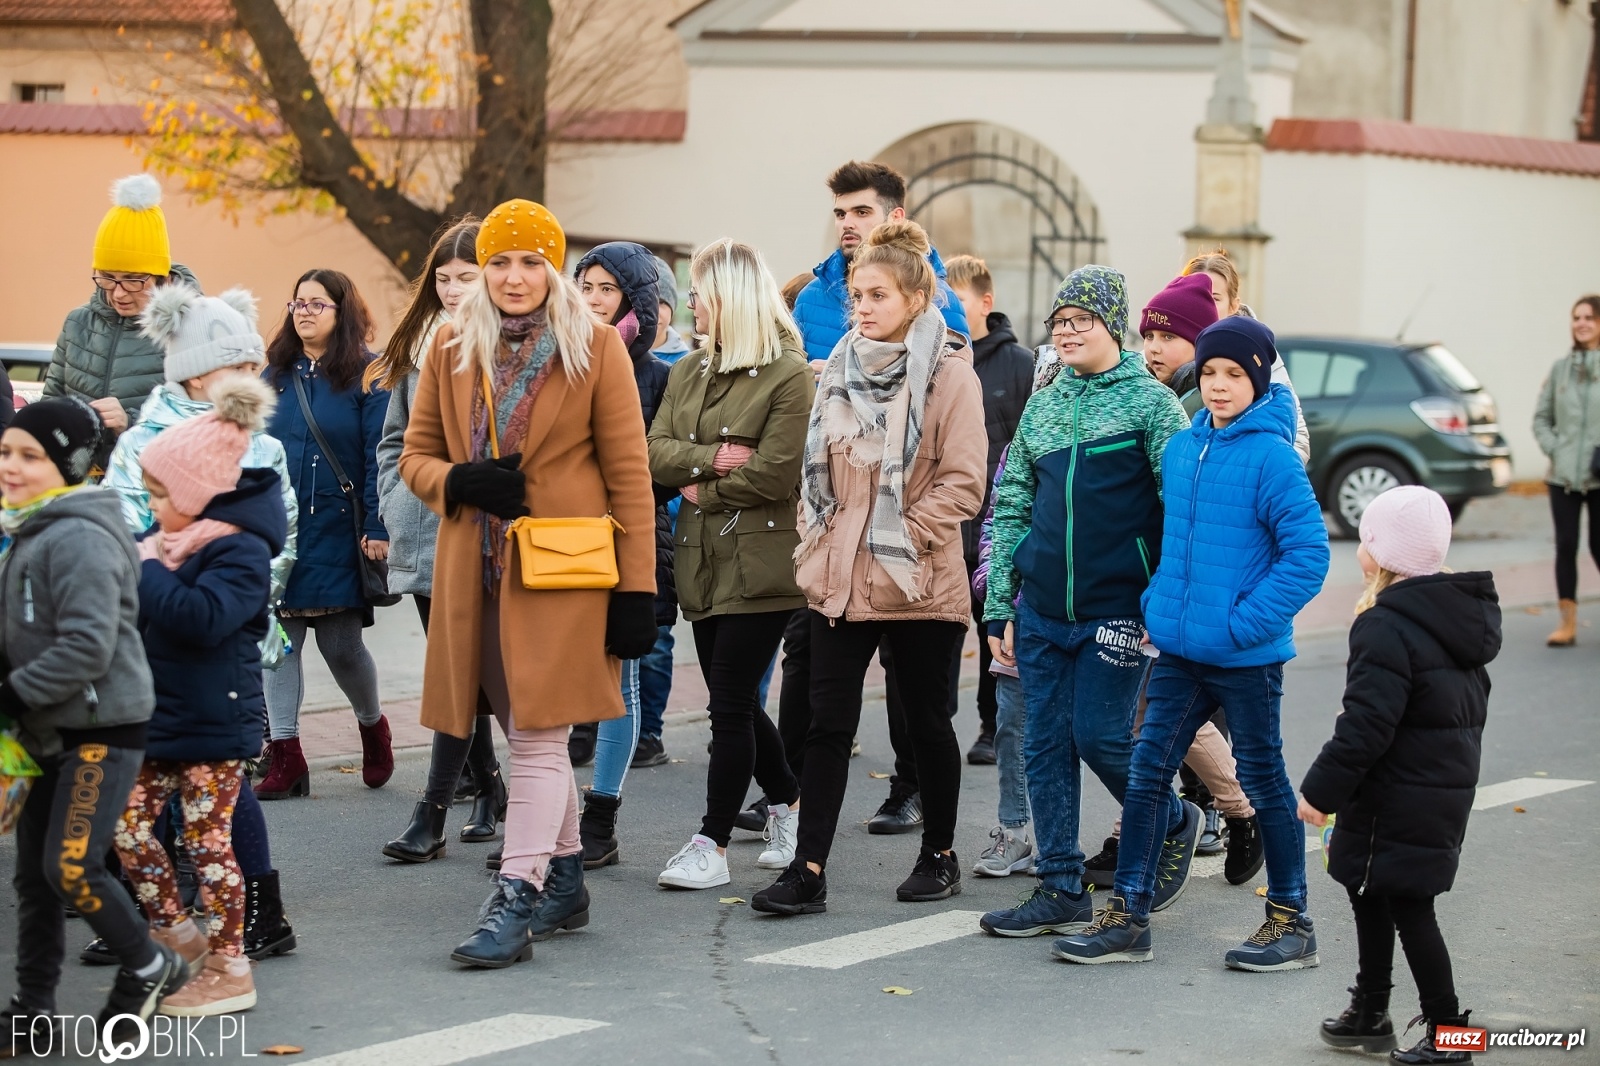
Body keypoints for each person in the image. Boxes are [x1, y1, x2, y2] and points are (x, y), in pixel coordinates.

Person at [399, 199, 657, 967]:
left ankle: (516, 894)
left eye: (531, 261)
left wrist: (637, 590)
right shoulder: (449, 345)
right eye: (500, 261)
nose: (515, 277)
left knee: (540, 740)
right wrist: (463, 480)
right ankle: (568, 878)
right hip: (473, 573)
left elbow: (630, 476)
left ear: (553, 268)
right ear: (483, 269)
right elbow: (413, 459)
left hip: (563, 572)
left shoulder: (595, 347)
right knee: (524, 731)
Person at [1054, 317, 1330, 970]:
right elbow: (1173, 542)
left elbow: (1308, 556)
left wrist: (1241, 624)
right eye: (1209, 372)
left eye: (1234, 374)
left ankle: (1291, 922)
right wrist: (1156, 604)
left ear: (1258, 379)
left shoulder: (1273, 458)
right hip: (1177, 651)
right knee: (1147, 775)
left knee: (1263, 783)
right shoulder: (1183, 450)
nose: (1219, 385)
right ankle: (1128, 918)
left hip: (1244, 657)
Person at [751, 220, 984, 915]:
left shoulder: (949, 374)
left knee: (924, 724)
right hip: (838, 576)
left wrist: (899, 536)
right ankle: (808, 870)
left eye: (878, 294)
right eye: (857, 294)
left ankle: (940, 854)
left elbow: (965, 483)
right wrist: (817, 534)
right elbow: (812, 466)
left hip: (914, 576)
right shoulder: (841, 364)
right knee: (826, 725)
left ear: (916, 297)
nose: (863, 306)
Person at [976, 266, 1196, 942]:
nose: (1066, 332)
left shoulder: (1153, 405)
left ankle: (1172, 817)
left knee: (1100, 734)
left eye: (1081, 320)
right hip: (1041, 609)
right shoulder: (1043, 404)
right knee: (1043, 744)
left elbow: (1179, 508)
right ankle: (1061, 886)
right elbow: (1011, 505)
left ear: (1113, 324)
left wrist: (1163, 591)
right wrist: (1000, 605)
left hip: (1118, 608)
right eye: (1059, 322)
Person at [85, 285, 300, 968]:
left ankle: (260, 910)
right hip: (150, 637)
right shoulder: (144, 441)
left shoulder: (258, 445)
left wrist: (247, 599)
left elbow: (281, 530)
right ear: (196, 373)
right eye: (235, 365)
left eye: (250, 363)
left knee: (218, 783)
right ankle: (155, 914)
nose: (250, 376)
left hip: (225, 633)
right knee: (147, 781)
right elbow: (121, 527)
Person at [787, 161, 972, 834]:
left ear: (893, 216)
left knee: (917, 701)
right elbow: (813, 429)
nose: (846, 225)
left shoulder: (938, 304)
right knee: (818, 695)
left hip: (904, 544)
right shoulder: (815, 299)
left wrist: (897, 527)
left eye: (859, 212)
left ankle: (916, 801)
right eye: (839, 213)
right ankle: (803, 845)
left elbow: (954, 449)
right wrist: (817, 524)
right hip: (838, 536)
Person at [0, 398, 191, 1046]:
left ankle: (149, 962)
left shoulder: (78, 534)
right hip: (44, 727)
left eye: (30, 456)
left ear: (72, 463)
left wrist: (11, 693)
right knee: (33, 876)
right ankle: (31, 1010)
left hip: (99, 730)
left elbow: (87, 646)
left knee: (72, 867)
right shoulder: (28, 527)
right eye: (5, 453)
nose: (11, 466)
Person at [1299, 486, 1498, 1063]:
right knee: (1369, 892)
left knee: (1410, 905)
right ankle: (1370, 1010)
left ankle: (1449, 1033)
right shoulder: (1452, 615)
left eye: (1366, 537)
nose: (1360, 546)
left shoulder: (1387, 624)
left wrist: (1319, 790)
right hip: (1432, 785)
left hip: (1398, 791)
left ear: (1382, 553)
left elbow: (1366, 724)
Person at [1078, 273, 1263, 887]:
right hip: (1141, 579)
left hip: (1175, 586)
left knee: (1155, 712)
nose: (1154, 347)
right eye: (1148, 334)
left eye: (1171, 336)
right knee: (1147, 716)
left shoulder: (1190, 406)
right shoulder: (1156, 392)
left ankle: (1227, 814)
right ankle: (1225, 815)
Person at [113, 375, 286, 1017]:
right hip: (157, 714)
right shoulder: (164, 545)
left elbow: (202, 619)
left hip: (216, 719)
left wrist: (149, 568)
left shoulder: (238, 550)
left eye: (161, 494)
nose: (153, 507)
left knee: (208, 845)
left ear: (195, 491)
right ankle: (175, 934)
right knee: (125, 824)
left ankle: (230, 966)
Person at [649, 239, 812, 889]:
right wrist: (712, 460)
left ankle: (711, 843)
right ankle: (793, 805)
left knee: (730, 704)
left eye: (700, 291)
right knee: (730, 696)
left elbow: (776, 472)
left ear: (733, 297)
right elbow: (654, 449)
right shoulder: (688, 370)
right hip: (701, 557)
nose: (692, 303)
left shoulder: (788, 373)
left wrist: (698, 484)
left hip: (763, 563)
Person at [374, 219, 513, 863]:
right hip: (426, 533)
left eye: (466, 276)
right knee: (457, 673)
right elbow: (395, 440)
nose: (454, 289)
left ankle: (433, 810)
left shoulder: (506, 345)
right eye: (444, 278)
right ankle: (487, 789)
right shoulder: (421, 346)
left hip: (488, 539)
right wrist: (397, 505)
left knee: (467, 673)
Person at [259, 269, 393, 799]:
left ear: (343, 312)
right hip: (280, 529)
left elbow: (378, 455)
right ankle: (286, 758)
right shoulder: (274, 375)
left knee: (341, 646)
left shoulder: (368, 373)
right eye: (298, 303)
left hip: (341, 531)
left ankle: (373, 727)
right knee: (279, 645)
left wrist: (379, 525)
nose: (305, 311)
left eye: (318, 303)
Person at [571, 240, 673, 865]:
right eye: (585, 286)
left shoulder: (658, 376)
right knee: (551, 681)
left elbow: (658, 471)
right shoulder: (556, 359)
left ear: (633, 299)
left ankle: (600, 820)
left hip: (629, 540)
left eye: (607, 289)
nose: (593, 300)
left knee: (621, 683)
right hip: (557, 541)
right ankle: (546, 819)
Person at [944, 255, 1033, 766]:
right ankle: (938, 727)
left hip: (993, 524)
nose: (950, 309)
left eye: (959, 299)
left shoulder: (1018, 366)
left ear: (986, 302)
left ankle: (990, 727)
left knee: (992, 628)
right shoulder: (935, 360)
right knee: (942, 634)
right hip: (946, 523)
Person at [44, 175, 201, 439]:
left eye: (132, 280)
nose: (118, 293)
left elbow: (204, 424)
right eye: (107, 277)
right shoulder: (77, 324)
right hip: (80, 477)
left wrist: (131, 422)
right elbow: (48, 405)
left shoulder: (189, 329)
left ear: (162, 277)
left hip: (149, 477)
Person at [635, 254, 688, 768]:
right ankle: (593, 723)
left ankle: (649, 730)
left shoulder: (681, 367)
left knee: (656, 635)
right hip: (631, 516)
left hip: (671, 516)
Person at [1181, 251, 1310, 464]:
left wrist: (1260, 477)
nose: (1202, 306)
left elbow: (1299, 438)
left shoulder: (1257, 351)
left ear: (1233, 305)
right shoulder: (1161, 347)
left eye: (1213, 299)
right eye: (1194, 297)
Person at [1531, 294, 1600, 647]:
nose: (1581, 323)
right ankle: (1567, 623)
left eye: (1589, 317)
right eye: (1577, 318)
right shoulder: (1561, 369)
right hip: (1562, 477)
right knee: (1566, 545)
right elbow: (1542, 418)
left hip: (1598, 476)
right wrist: (1556, 450)